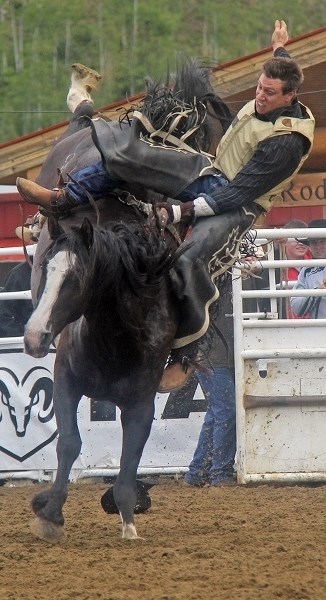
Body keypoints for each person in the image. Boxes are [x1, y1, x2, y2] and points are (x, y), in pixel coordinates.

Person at [16, 20, 315, 392]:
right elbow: (282, 68)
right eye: (259, 87)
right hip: (211, 171)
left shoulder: (286, 143)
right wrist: (279, 48)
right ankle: (66, 196)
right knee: (131, 159)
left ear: (290, 96)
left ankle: (187, 353)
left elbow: (236, 194)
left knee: (189, 261)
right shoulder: (277, 85)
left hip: (238, 205)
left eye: (270, 93)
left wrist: (180, 212)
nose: (260, 96)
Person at [184, 276, 236, 487]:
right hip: (212, 354)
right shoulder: (212, 269)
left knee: (218, 412)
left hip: (219, 353)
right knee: (226, 410)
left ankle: (197, 472)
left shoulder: (218, 270)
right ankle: (220, 472)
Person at [290, 219, 326, 319]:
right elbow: (297, 307)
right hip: (317, 331)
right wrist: (318, 292)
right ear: (309, 245)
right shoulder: (306, 271)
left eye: (323, 242)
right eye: (314, 242)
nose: (318, 247)